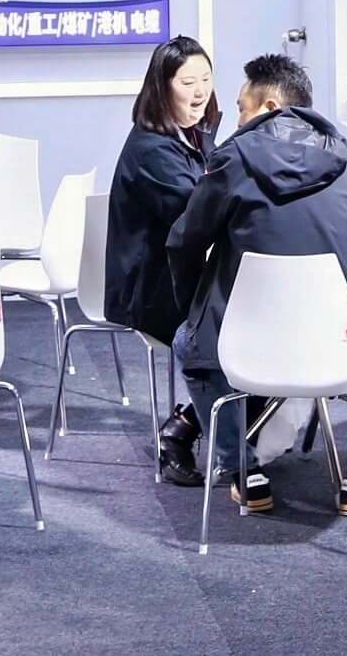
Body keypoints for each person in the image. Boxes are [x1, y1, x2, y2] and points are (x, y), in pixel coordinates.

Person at [167, 53, 347, 519]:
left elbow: (184, 244)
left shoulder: (229, 164)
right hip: (343, 345)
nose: (237, 119)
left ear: (270, 107)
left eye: (242, 108)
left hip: (247, 346)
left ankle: (244, 472)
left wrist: (199, 315)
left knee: (188, 346)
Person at [108, 35, 220, 482]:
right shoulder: (152, 150)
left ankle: (200, 426)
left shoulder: (195, 134)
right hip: (154, 290)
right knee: (250, 329)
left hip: (185, 275)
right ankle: (190, 432)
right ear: (162, 87)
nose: (200, 91)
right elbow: (201, 213)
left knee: (269, 324)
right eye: (188, 82)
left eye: (206, 79)